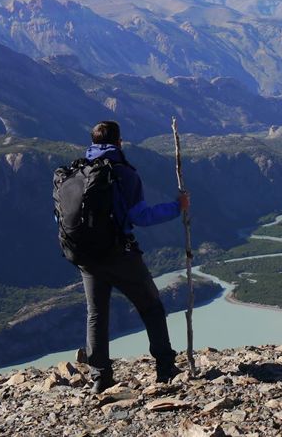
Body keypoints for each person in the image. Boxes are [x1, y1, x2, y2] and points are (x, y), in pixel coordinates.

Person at [75, 120, 189, 392]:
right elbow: (141, 216)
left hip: (86, 257)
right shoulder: (123, 173)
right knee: (151, 306)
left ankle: (100, 378)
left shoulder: (78, 171)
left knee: (96, 314)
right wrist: (177, 207)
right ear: (119, 142)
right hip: (119, 253)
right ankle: (165, 368)